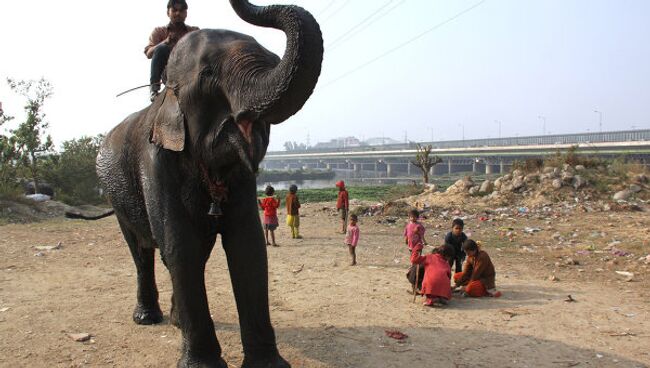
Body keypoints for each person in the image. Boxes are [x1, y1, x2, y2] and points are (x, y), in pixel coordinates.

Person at [144, 0, 199, 101]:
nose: (178, 13)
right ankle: (154, 90)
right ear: (168, 13)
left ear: (186, 13)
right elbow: (149, 53)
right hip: (169, 73)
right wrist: (165, 42)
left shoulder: (194, 31)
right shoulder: (159, 31)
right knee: (161, 48)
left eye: (181, 11)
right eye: (174, 10)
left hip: (191, 70)